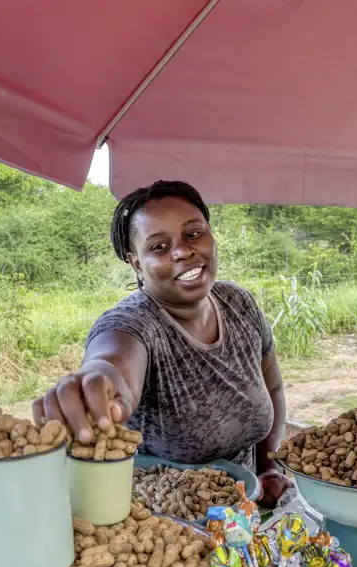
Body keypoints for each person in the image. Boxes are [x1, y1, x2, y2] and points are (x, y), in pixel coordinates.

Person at [33, 180, 292, 507]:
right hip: (168, 522)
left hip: (246, 513)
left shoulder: (239, 304)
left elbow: (274, 389)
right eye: (158, 246)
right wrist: (98, 380)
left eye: (193, 233)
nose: (182, 251)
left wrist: (267, 469)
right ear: (136, 264)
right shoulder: (133, 323)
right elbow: (113, 360)